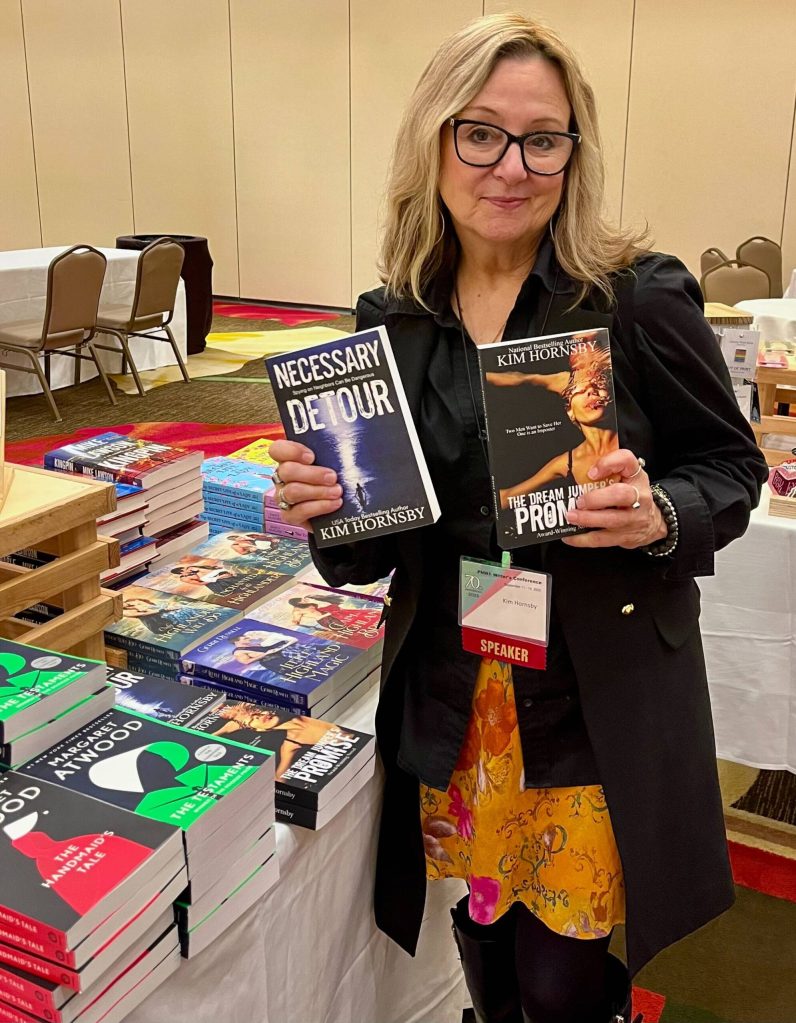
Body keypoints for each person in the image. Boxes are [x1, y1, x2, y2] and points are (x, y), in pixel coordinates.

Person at [270, 14, 767, 1023]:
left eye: (542, 138)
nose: (510, 165)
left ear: (572, 153)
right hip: (456, 692)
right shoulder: (394, 317)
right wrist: (329, 509)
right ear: (434, 139)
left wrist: (659, 514)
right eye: (481, 132)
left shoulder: (631, 298)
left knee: (561, 972)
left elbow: (730, 467)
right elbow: (367, 556)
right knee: (487, 934)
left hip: (589, 689)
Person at [484, 336, 618, 507]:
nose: (591, 391)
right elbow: (508, 497)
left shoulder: (628, 440)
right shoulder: (566, 462)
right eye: (581, 390)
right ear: (570, 412)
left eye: (598, 387)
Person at [205, 702, 355, 778]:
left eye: (258, 713)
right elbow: (279, 780)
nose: (261, 716)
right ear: (259, 730)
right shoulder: (290, 745)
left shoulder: (309, 713)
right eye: (254, 719)